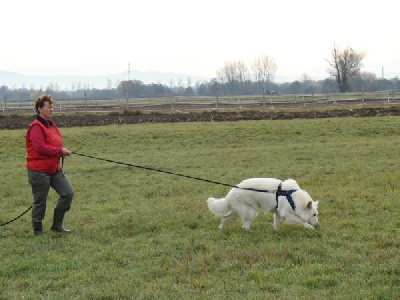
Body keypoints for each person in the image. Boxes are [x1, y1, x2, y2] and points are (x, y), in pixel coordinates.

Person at [26, 94, 74, 236]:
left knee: (68, 193)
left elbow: (54, 144)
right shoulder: (36, 127)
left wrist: (61, 151)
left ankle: (57, 225)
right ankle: (38, 230)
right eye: (49, 107)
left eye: (52, 107)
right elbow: (40, 147)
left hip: (53, 168)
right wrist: (60, 151)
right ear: (39, 109)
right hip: (38, 170)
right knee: (40, 201)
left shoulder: (52, 125)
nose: (52, 109)